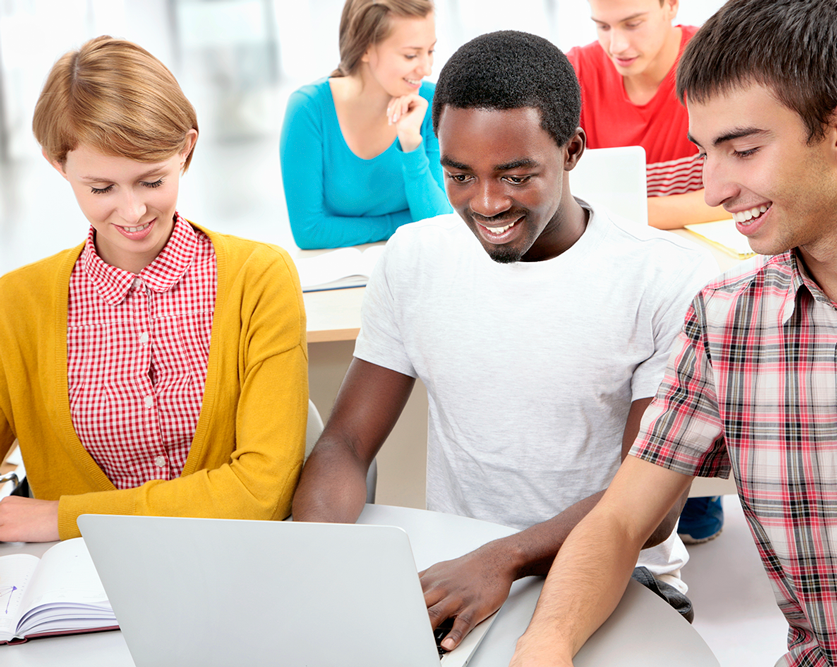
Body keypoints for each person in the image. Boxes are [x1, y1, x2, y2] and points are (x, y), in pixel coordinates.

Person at [509, 0, 837, 665]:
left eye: (742, 149)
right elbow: (621, 520)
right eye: (704, 153)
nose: (713, 189)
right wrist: (545, 646)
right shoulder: (725, 322)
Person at [292, 30, 718, 652]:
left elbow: (648, 509)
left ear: (572, 151)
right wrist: (319, 560)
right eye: (459, 174)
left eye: (515, 176)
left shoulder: (665, 278)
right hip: (464, 568)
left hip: (618, 574)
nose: (486, 204)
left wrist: (505, 559)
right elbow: (348, 443)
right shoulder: (413, 259)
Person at [0, 36, 308, 543]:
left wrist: (59, 518)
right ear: (59, 165)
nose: (132, 211)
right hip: (78, 599)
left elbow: (261, 492)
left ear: (186, 149)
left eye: (151, 181)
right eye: (101, 188)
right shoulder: (18, 303)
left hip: (233, 568)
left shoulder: (258, 278)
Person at [279, 0, 450, 250]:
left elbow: (440, 223)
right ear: (365, 48)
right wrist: (401, 223)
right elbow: (309, 231)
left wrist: (411, 141)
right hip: (340, 276)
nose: (426, 68)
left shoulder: (430, 102)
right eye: (411, 55)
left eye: (430, 51)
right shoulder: (308, 109)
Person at [566, 0, 723, 232]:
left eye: (633, 24)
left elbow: (751, 192)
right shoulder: (575, 73)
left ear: (670, 5)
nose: (616, 46)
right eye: (603, 27)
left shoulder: (720, 63)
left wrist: (619, 212)